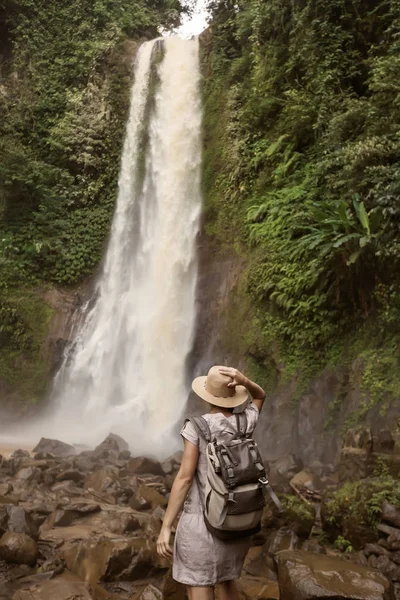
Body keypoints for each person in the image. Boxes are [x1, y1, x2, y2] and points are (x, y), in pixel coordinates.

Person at [157, 365, 266, 600]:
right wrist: (244, 379)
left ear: (207, 395)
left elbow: (185, 478)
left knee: (198, 586)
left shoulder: (196, 427)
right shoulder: (245, 421)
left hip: (203, 525)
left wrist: (166, 526)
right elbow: (260, 395)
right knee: (227, 583)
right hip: (238, 521)